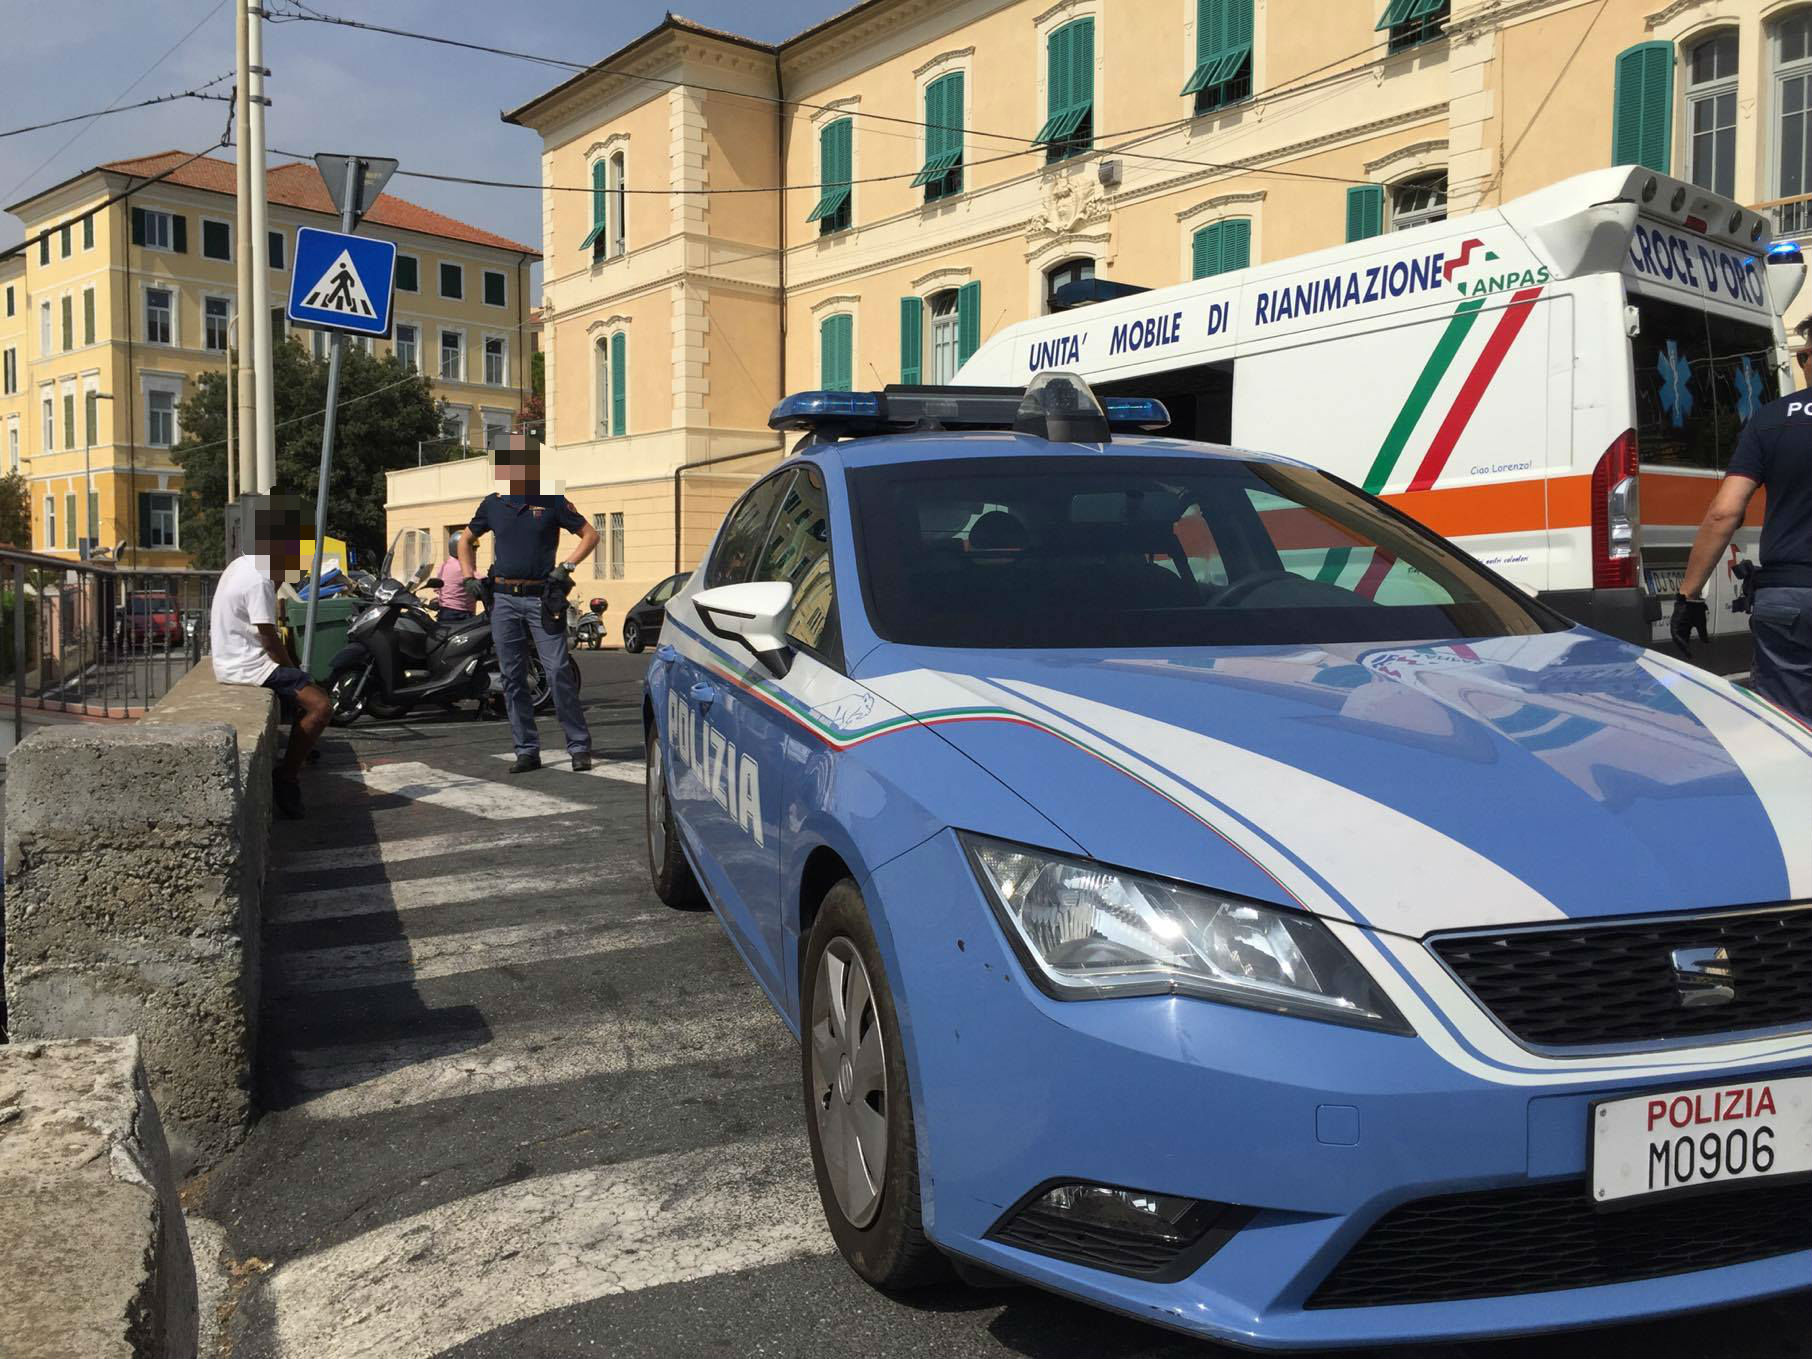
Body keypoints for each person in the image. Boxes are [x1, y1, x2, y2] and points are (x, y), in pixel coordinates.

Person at [1671, 332, 1812, 719]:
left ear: (1806, 358)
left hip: (1789, 599)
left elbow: (1724, 512)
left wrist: (1689, 595)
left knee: (1788, 727)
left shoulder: (1771, 421)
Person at [459, 433, 599, 772]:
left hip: (541, 599)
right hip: (504, 600)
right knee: (512, 677)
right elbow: (465, 540)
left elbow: (590, 534)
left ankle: (578, 746)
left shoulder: (551, 498)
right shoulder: (493, 503)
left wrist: (566, 567)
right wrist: (468, 576)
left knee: (558, 671)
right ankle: (526, 750)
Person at [210, 495, 332, 817]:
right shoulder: (259, 577)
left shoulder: (244, 564)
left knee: (304, 689)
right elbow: (269, 640)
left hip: (233, 659)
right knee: (320, 705)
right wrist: (296, 673)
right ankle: (287, 777)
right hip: (249, 666)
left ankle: (301, 749)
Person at [435, 531, 477, 621]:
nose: (474, 553)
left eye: (475, 549)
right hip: (460, 614)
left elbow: (437, 589)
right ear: (459, 549)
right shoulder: (462, 567)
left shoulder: (444, 565)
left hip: (444, 611)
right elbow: (481, 581)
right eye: (472, 549)